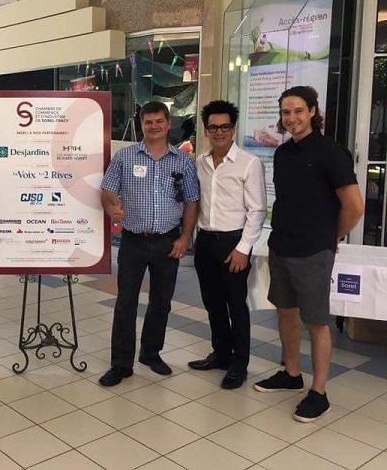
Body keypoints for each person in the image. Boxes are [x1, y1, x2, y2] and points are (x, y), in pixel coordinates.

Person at [254, 86, 364, 422]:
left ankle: (319, 392)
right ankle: (291, 374)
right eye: (286, 112)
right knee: (285, 312)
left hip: (313, 250)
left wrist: (331, 237)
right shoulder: (284, 153)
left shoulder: (332, 153)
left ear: (313, 111)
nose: (292, 118)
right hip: (281, 245)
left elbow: (354, 207)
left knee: (316, 322)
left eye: (298, 111)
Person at [99, 101, 200, 386]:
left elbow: (192, 202)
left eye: (159, 121)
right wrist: (111, 207)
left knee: (161, 303)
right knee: (125, 303)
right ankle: (121, 364)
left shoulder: (183, 161)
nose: (154, 126)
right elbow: (107, 190)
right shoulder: (125, 157)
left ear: (168, 123)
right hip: (133, 241)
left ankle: (151, 353)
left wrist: (184, 238)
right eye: (148, 122)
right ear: (141, 124)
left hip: (168, 242)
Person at [188, 100, 267, 389]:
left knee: (236, 305)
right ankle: (221, 355)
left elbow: (257, 210)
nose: (219, 132)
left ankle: (239, 365)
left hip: (234, 243)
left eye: (225, 127)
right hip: (205, 242)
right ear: (206, 130)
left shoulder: (249, 163)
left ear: (233, 129)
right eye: (213, 127)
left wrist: (243, 249)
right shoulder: (200, 162)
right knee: (213, 303)